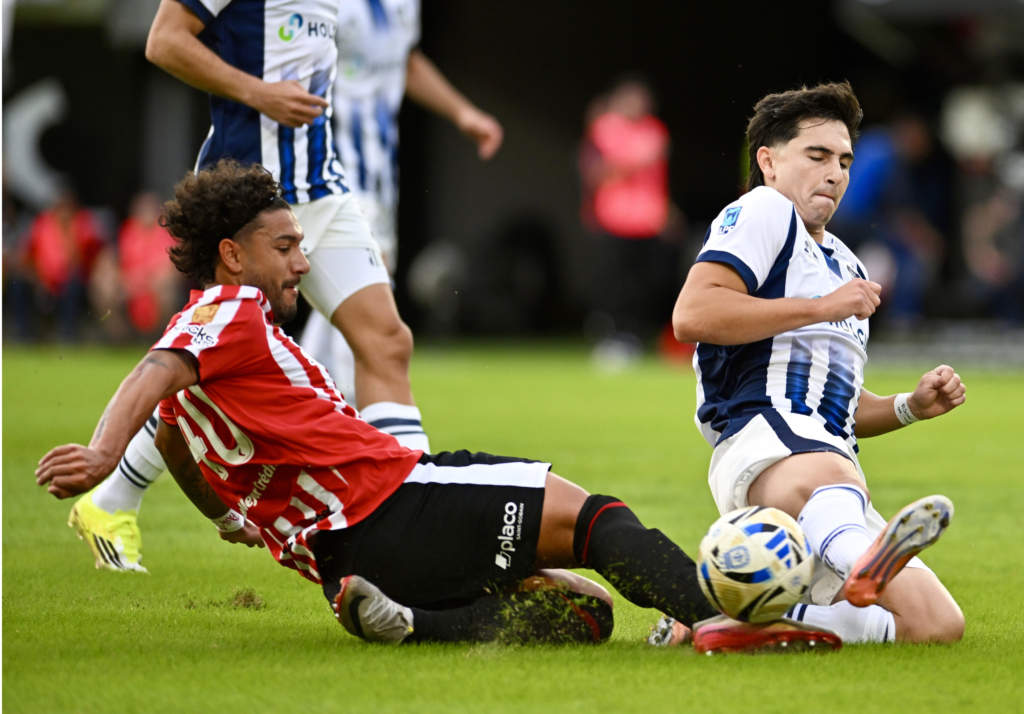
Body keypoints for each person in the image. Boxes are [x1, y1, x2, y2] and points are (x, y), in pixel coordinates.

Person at [37, 160, 743, 646]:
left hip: (341, 565)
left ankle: (410, 621)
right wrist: (102, 454)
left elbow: (169, 437)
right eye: (284, 247)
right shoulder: (230, 312)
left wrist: (227, 516)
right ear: (232, 255)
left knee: (586, 614)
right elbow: (151, 374)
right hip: (393, 503)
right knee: (595, 517)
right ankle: (724, 619)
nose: (302, 263)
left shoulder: (202, 341)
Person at [64, 0, 433, 572]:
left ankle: (420, 510)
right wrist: (259, 93)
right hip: (249, 202)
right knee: (210, 368)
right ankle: (113, 499)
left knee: (387, 340)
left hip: (322, 188)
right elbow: (164, 41)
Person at [667, 82, 966, 645]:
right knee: (833, 475)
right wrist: (823, 307)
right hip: (766, 441)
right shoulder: (764, 210)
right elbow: (693, 313)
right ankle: (860, 558)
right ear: (769, 161)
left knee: (935, 625)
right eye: (817, 155)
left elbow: (837, 402)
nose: (834, 173)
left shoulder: (846, 262)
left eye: (844, 161)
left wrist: (909, 407)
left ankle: (732, 617)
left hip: (827, 471)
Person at [300, 0, 503, 404]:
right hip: (329, 168)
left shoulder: (404, 4)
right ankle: (357, 420)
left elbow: (405, 60)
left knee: (344, 297)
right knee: (364, 295)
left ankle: (303, 404)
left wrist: (463, 113)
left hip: (379, 172)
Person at [579, 78, 679, 364]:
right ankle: (613, 337)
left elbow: (656, 176)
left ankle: (636, 337)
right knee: (615, 284)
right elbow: (596, 170)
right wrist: (633, 160)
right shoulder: (605, 127)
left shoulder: (655, 130)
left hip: (649, 220)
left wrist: (669, 212)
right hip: (615, 218)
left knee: (648, 283)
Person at [17, 189, 106, 341]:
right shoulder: (42, 225)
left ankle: (68, 335)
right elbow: (26, 258)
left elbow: (91, 258)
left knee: (74, 287)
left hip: (72, 282)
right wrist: (38, 281)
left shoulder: (84, 225)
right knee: (18, 285)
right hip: (43, 281)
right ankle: (24, 335)